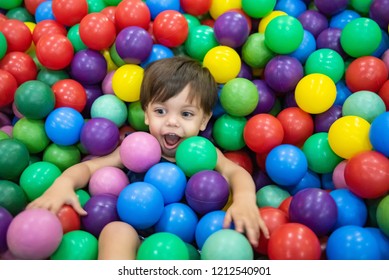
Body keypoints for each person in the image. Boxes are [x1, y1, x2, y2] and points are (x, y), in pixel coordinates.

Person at [27, 56, 269, 259]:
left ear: (204, 120)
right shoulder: (136, 147)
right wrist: (63, 184)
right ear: (146, 114)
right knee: (115, 230)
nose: (172, 121)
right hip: (137, 238)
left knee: (226, 243)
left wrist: (245, 199)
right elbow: (90, 168)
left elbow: (234, 172)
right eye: (160, 111)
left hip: (193, 247)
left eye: (186, 114)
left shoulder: (204, 152)